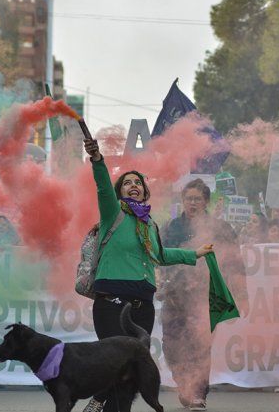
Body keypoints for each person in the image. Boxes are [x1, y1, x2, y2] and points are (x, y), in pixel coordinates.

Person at [82, 138, 214, 412]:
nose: (134, 185)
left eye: (138, 183)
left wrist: (195, 253)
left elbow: (161, 255)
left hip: (142, 309)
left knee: (130, 372)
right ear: (120, 192)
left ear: (145, 192)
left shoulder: (149, 224)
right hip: (112, 304)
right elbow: (103, 186)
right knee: (115, 363)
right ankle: (101, 395)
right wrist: (97, 160)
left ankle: (105, 400)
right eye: (128, 182)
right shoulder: (113, 214)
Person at [158, 179, 249, 411]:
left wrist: (241, 294)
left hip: (204, 296)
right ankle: (183, 385)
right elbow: (159, 258)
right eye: (189, 198)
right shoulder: (170, 228)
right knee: (171, 347)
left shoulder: (221, 229)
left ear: (206, 201)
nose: (193, 203)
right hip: (174, 297)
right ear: (183, 201)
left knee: (200, 345)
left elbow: (235, 263)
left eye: (198, 199)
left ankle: (198, 393)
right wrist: (158, 283)